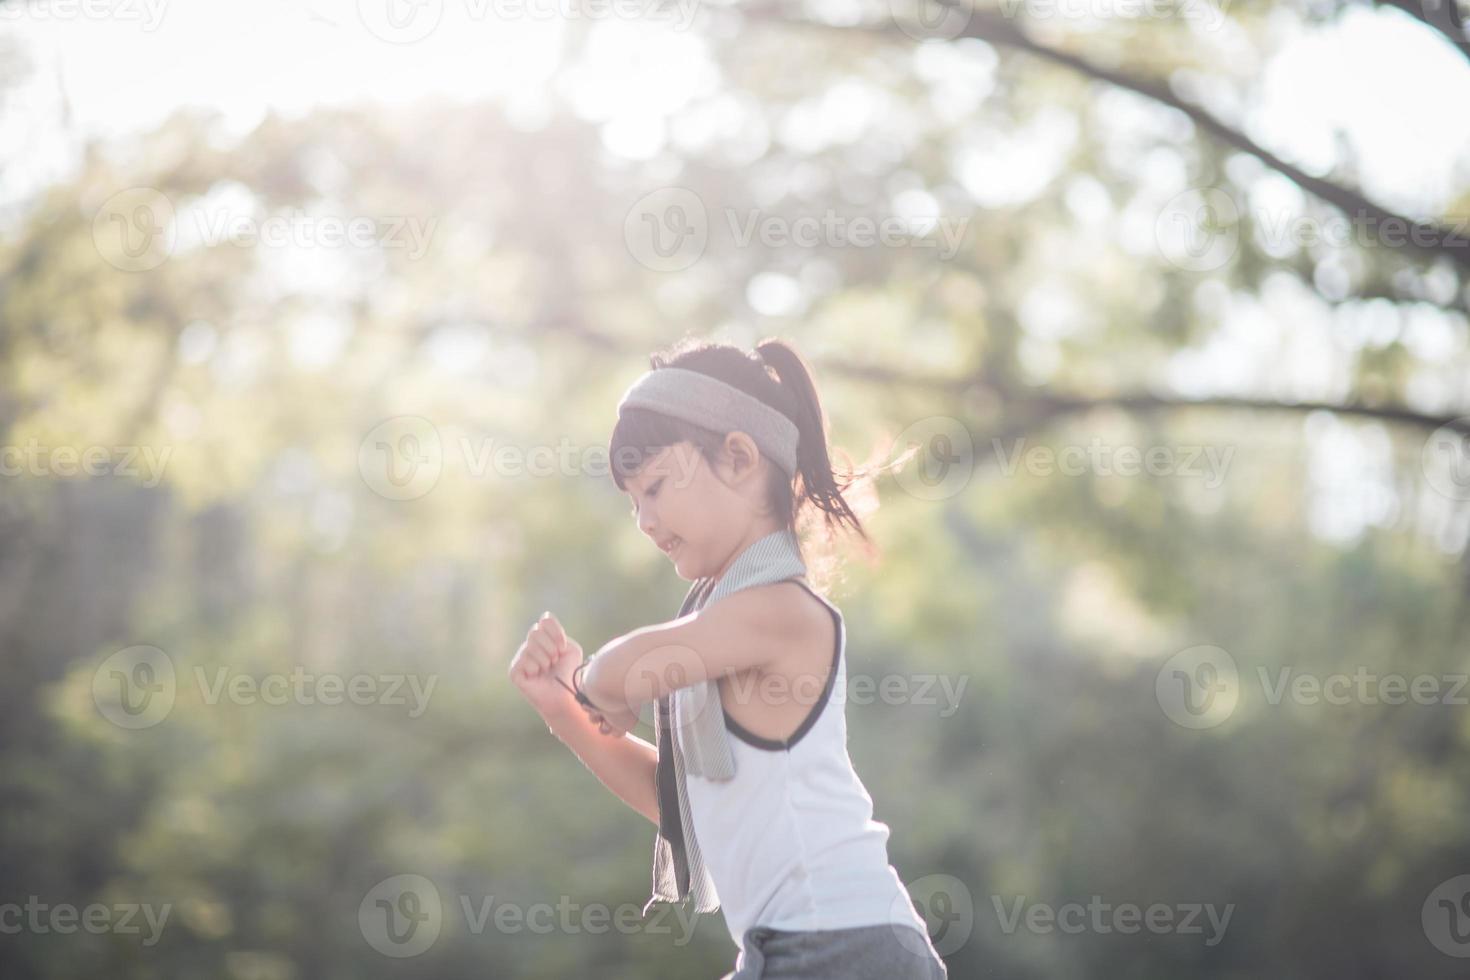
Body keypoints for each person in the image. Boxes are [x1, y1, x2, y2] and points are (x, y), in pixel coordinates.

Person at [508, 337, 948, 979]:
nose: (643, 520)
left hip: (844, 943)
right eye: (633, 501)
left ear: (738, 457)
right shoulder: (718, 632)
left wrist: (594, 680)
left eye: (655, 486)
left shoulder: (778, 612)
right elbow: (680, 802)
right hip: (801, 947)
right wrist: (565, 706)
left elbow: (623, 669)